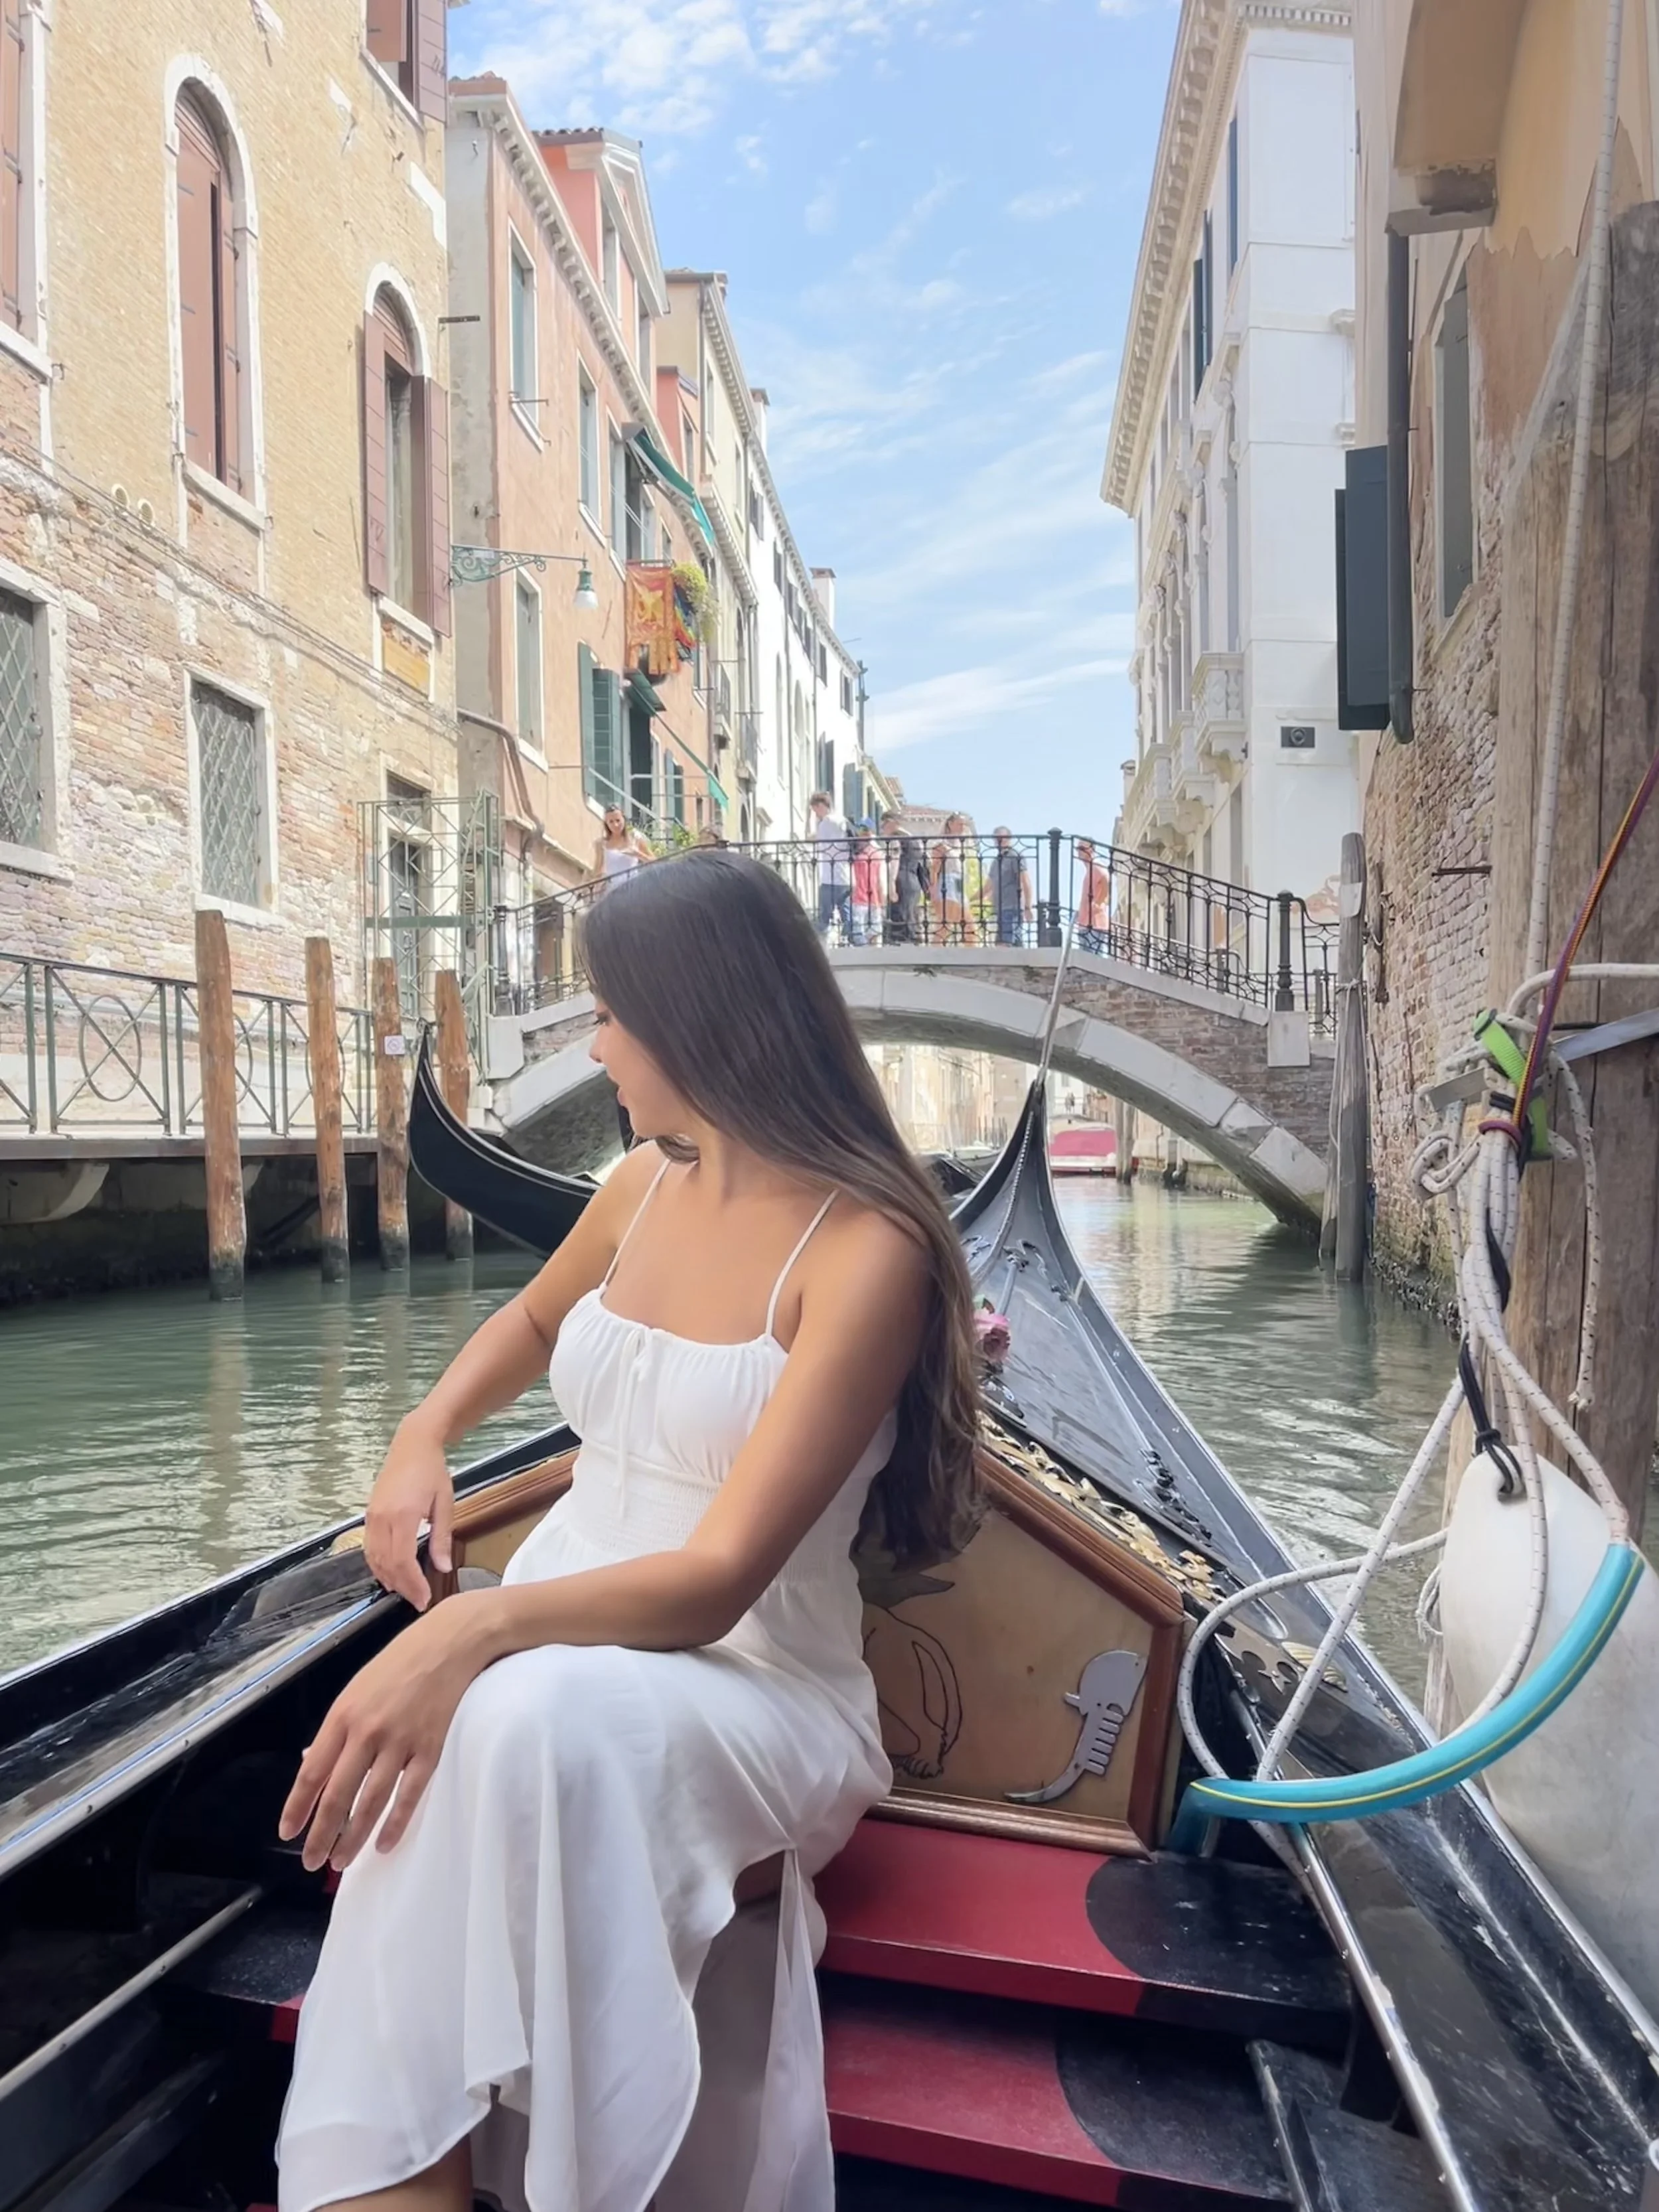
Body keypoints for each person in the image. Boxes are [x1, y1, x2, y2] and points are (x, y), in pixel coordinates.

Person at [275, 852, 981, 2212]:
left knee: (511, 1712)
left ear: (697, 1016)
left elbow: (719, 1583)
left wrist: (475, 1623)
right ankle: (404, 2174)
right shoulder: (635, 1191)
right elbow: (532, 1324)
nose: (592, 1042)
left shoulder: (865, 1249)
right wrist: (418, 1437)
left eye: (607, 1010)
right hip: (561, 1631)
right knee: (497, 1716)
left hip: (757, 1687)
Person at [880, 811, 928, 945]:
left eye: (883, 825)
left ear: (892, 823)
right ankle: (913, 944)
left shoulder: (896, 839)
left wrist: (891, 886)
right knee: (910, 917)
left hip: (901, 880)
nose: (882, 829)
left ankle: (901, 949)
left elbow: (895, 861)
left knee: (899, 918)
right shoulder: (914, 840)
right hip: (914, 883)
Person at [809, 790, 850, 942]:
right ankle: (855, 941)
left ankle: (820, 945)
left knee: (824, 916)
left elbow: (818, 841)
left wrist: (810, 822)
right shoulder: (842, 820)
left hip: (830, 877)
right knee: (847, 914)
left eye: (815, 810)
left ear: (820, 806)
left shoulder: (827, 822)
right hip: (845, 876)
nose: (816, 815)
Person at [930, 812, 974, 945]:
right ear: (950, 825)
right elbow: (935, 868)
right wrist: (933, 888)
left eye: (964, 825)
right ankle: (934, 952)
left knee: (969, 925)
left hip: (959, 885)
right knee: (946, 924)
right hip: (947, 884)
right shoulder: (941, 845)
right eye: (960, 824)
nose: (963, 828)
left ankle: (972, 954)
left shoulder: (960, 846)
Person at [986, 826, 1032, 946]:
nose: (999, 841)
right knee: (1004, 943)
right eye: (997, 839)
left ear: (1009, 839)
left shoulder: (1015, 856)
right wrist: (969, 900)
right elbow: (988, 886)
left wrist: (1028, 907)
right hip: (1000, 909)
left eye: (1002, 838)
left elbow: (1025, 881)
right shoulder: (996, 861)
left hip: (1012, 907)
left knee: (1007, 943)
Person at [591, 805, 653, 892]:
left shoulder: (635, 838)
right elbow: (597, 869)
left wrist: (638, 854)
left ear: (624, 819)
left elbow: (655, 861)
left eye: (618, 820)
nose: (615, 825)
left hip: (633, 887)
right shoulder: (602, 844)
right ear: (606, 824)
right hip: (612, 889)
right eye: (611, 822)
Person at [848, 820, 885, 944]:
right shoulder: (853, 852)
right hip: (858, 897)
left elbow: (881, 879)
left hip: (873, 898)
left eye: (865, 831)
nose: (862, 835)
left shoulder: (877, 853)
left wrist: (882, 901)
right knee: (859, 933)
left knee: (875, 932)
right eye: (860, 831)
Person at [1076, 836, 1111, 955]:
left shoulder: (1096, 866)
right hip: (1087, 923)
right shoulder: (1090, 869)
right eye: (1077, 849)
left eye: (1081, 848)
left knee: (1094, 959)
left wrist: (1100, 903)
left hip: (1094, 924)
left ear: (1091, 850)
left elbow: (1106, 879)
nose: (1078, 852)